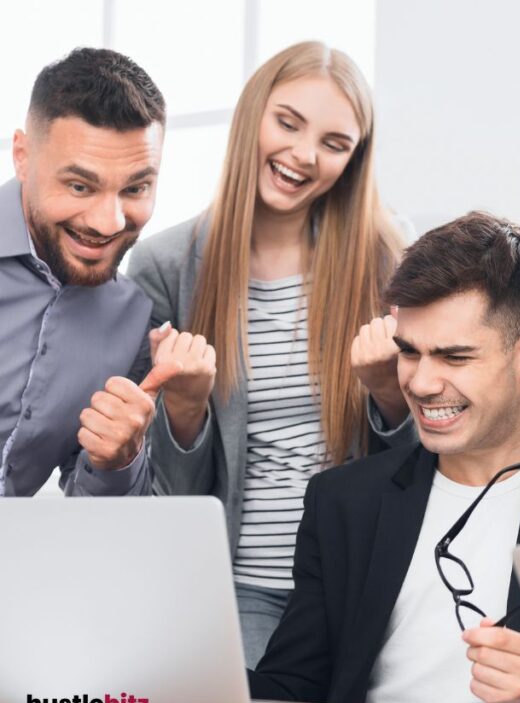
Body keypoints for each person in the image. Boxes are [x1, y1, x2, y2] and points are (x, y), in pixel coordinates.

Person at [247, 211, 520, 703]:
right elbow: (290, 689)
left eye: (454, 357)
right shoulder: (342, 502)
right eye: (409, 352)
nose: (419, 383)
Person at [128, 42, 411, 667]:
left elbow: (434, 460)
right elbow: (157, 499)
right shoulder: (164, 269)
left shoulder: (390, 263)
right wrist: (185, 410)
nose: (304, 155)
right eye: (287, 122)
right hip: (239, 590)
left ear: (354, 159)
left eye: (335, 143)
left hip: (365, 581)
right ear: (252, 114)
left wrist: (390, 392)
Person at [0, 47, 192, 497]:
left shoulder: (131, 321)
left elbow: (99, 523)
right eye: (79, 186)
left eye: (135, 188)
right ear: (23, 156)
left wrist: (119, 460)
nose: (108, 223)